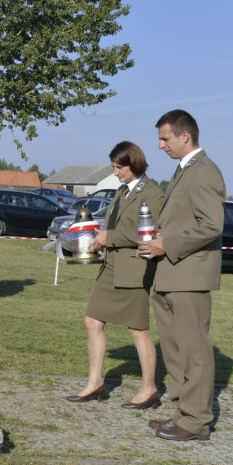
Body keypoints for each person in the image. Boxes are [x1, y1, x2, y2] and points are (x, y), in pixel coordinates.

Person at [138, 109, 225, 442]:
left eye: (165, 138)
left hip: (190, 277)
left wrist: (167, 245)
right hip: (169, 274)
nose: (160, 146)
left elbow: (211, 225)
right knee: (174, 351)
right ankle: (182, 414)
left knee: (194, 351)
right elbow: (179, 221)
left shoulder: (204, 172)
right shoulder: (183, 171)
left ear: (184, 136)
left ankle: (197, 421)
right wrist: (152, 244)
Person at [67, 141, 164, 408]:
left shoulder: (153, 192)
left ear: (133, 163)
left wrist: (111, 237)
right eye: (113, 167)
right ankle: (95, 382)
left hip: (134, 268)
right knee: (92, 321)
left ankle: (149, 389)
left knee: (138, 331)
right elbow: (115, 226)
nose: (116, 172)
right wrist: (94, 235)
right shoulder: (122, 190)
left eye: (119, 167)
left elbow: (150, 235)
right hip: (110, 266)